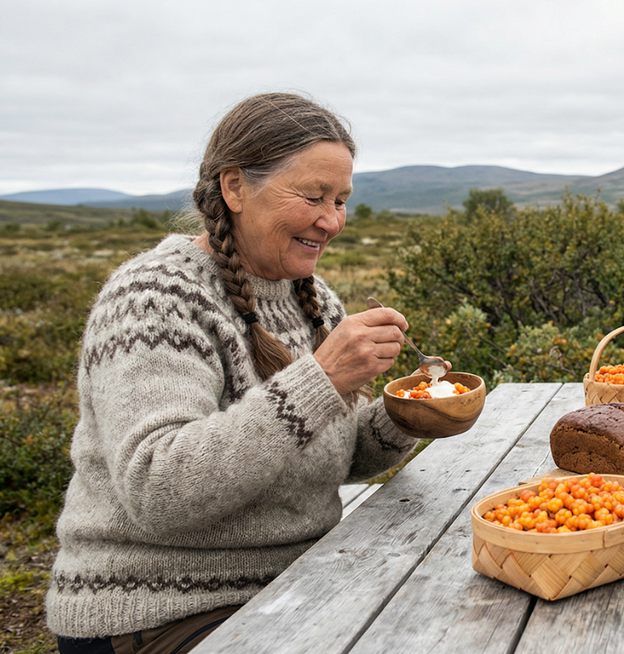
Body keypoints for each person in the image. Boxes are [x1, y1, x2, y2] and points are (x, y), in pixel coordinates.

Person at [47, 93, 435, 653]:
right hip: (160, 609)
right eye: (313, 196)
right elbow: (158, 488)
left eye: (341, 200)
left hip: (296, 584)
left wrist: (408, 411)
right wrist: (322, 379)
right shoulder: (154, 297)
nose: (331, 221)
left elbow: (332, 460)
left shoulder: (312, 298)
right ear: (234, 187)